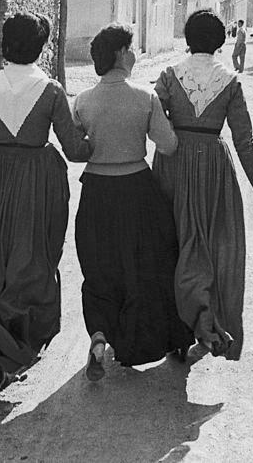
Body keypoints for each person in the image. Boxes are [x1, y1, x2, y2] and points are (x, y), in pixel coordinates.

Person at [0, 11, 92, 395]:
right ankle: (15, 347)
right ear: (41, 47)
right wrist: (100, 138)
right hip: (36, 179)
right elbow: (75, 149)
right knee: (30, 260)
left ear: (5, 45)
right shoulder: (51, 91)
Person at [153, 10, 253, 361]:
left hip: (173, 165)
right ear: (221, 41)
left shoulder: (168, 76)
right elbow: (244, 142)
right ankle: (208, 323)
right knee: (210, 248)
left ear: (188, 38)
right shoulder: (231, 82)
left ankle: (179, 332)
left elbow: (152, 123)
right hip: (213, 169)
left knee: (174, 245)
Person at [72, 24, 194, 381]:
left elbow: (78, 146)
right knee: (149, 265)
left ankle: (98, 336)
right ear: (123, 54)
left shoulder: (83, 101)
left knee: (100, 266)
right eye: (131, 47)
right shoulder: (145, 97)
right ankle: (165, 336)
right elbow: (169, 145)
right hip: (138, 189)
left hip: (96, 192)